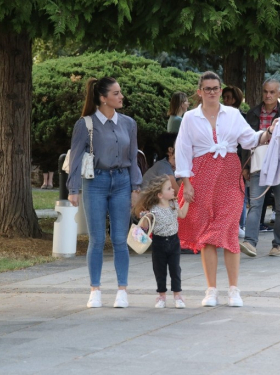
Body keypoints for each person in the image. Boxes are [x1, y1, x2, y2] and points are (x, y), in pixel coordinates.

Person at [175, 71, 279, 307]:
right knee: (207, 235)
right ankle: (211, 290)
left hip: (230, 177)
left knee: (230, 230)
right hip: (201, 177)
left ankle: (234, 289)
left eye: (216, 88)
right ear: (199, 91)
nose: (212, 92)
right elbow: (182, 150)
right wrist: (187, 183)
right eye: (207, 88)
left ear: (221, 90)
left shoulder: (232, 114)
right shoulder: (190, 118)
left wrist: (269, 132)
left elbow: (250, 140)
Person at [67, 77, 142, 308]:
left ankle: (122, 290)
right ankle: (95, 290)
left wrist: (136, 186)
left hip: (121, 182)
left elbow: (133, 158)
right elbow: (76, 156)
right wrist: (73, 189)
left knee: (120, 239)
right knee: (97, 239)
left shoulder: (128, 123)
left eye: (120, 92)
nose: (121, 97)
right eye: (116, 93)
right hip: (95, 182)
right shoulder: (85, 124)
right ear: (103, 98)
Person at [240, 78, 280, 258]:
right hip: (258, 163)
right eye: (266, 91)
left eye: (272, 92)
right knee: (255, 203)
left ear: (279, 93)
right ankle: (250, 242)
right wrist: (245, 165)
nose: (268, 95)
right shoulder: (253, 113)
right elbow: (245, 140)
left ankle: (278, 244)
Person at [133, 175, 190, 309]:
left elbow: (182, 215)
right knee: (160, 270)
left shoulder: (173, 204)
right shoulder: (152, 209)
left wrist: (187, 201)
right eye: (169, 189)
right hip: (158, 242)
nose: (173, 191)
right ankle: (162, 296)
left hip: (174, 241)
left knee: (175, 269)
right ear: (160, 195)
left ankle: (177, 295)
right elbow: (145, 227)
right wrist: (144, 217)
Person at [222, 85, 247, 237]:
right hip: (222, 160)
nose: (225, 101)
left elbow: (245, 142)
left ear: (235, 100)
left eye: (228, 98)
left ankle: (239, 224)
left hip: (236, 160)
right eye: (224, 97)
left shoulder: (240, 117)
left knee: (238, 193)